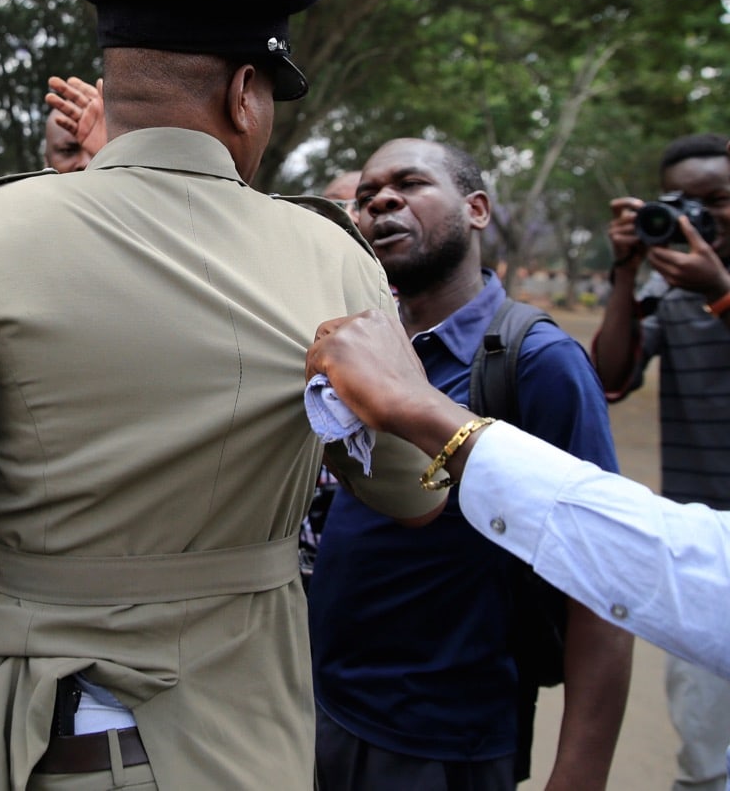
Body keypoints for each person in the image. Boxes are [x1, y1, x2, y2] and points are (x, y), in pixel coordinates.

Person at [0, 0, 447, 791]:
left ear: (110, 86)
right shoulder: (333, 256)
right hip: (241, 743)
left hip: (30, 737)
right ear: (242, 93)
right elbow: (414, 492)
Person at [306, 138, 632, 790]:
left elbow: (602, 577)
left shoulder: (535, 362)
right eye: (367, 198)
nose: (381, 202)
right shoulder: (359, 348)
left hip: (444, 739)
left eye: (409, 184)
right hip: (324, 712)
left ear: (477, 209)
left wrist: (580, 775)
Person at [304, 306, 730, 684]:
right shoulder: (362, 332)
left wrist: (422, 411)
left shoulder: (541, 356)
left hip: (450, 717)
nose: (376, 209)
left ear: (478, 210)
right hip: (334, 689)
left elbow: (617, 563)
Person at [592, 132, 730, 791]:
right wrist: (626, 270)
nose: (702, 215)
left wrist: (722, 294)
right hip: (704, 551)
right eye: (682, 202)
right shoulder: (671, 293)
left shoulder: (706, 288)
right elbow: (610, 377)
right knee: (707, 760)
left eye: (718, 200)